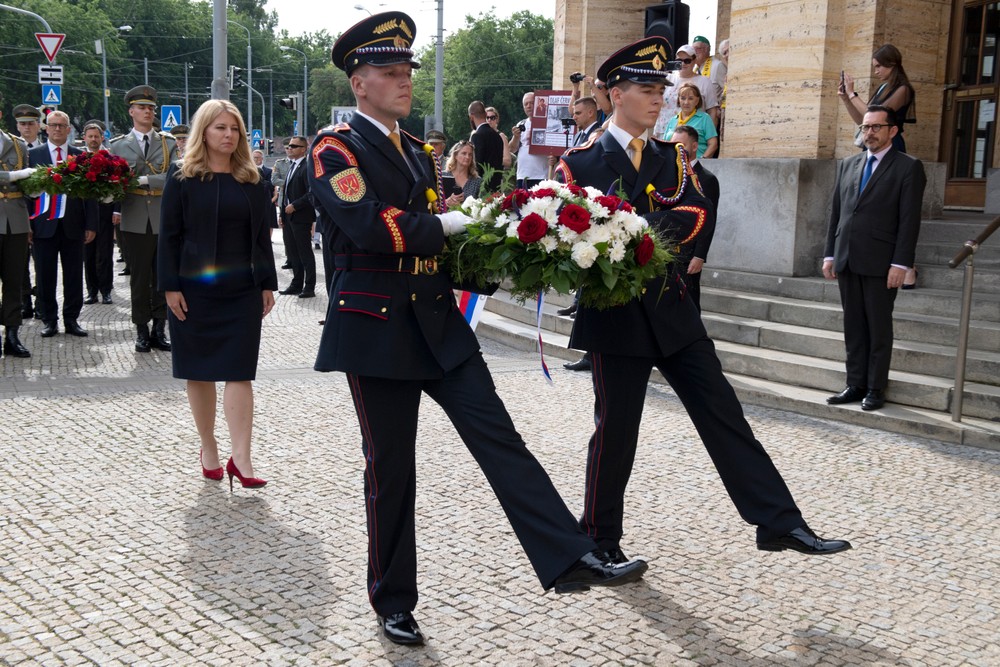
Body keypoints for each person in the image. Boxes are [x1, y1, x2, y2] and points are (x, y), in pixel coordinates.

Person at [312, 11, 648, 647]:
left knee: (501, 439)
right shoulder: (337, 148)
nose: (404, 81)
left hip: (438, 322)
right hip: (377, 329)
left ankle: (570, 555)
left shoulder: (417, 149)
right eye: (390, 72)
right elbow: (369, 226)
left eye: (407, 70)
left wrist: (514, 246)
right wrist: (447, 224)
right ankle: (393, 598)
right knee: (392, 469)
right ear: (359, 83)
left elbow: (442, 231)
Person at [556, 34, 853, 566]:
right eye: (648, 88)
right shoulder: (579, 166)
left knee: (724, 413)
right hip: (614, 317)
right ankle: (599, 541)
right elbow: (570, 235)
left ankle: (779, 523)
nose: (659, 98)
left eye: (661, 89)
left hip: (672, 310)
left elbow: (695, 216)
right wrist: (638, 229)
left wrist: (623, 227)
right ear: (616, 93)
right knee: (616, 431)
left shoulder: (673, 156)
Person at [158, 99, 277, 491]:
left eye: (234, 129)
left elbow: (262, 237)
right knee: (200, 372)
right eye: (220, 128)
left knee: (240, 372)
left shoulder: (254, 178)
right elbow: (169, 237)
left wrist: (267, 283)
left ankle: (241, 457)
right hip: (194, 290)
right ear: (203, 132)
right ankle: (208, 447)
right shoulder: (183, 177)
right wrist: (169, 285)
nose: (228, 135)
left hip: (242, 289)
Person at [823, 105, 925, 411]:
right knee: (853, 324)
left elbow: (909, 221)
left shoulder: (908, 167)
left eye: (876, 127)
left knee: (878, 327)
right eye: (866, 127)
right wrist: (830, 253)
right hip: (847, 257)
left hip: (882, 262)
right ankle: (855, 383)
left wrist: (901, 264)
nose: (869, 133)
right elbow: (837, 213)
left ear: (893, 130)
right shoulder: (848, 164)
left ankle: (876, 388)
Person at [840, 44, 918, 288]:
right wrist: (845, 99)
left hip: (892, 148)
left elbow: (878, 116)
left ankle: (908, 268)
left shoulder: (903, 89)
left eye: (879, 66)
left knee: (896, 211)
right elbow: (864, 121)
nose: (875, 71)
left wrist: (854, 94)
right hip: (872, 149)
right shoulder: (883, 87)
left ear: (892, 64)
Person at [109, 85, 180, 353]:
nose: (148, 111)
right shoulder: (117, 145)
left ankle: (159, 329)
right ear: (131, 112)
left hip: (163, 217)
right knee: (139, 279)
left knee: (162, 277)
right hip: (134, 216)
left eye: (151, 108)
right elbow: (112, 180)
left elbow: (174, 177)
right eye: (142, 107)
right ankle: (141, 330)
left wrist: (141, 179)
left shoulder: (168, 142)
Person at [28, 110, 98, 338]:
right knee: (45, 275)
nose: (57, 129)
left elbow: (90, 194)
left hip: (73, 225)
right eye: (53, 125)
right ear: (45, 128)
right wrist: (27, 224)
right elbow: (27, 193)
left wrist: (92, 224)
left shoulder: (81, 156)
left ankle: (72, 319)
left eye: (62, 125)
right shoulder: (33, 155)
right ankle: (49, 320)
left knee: (74, 275)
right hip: (42, 226)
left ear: (69, 130)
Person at [670, 125, 719, 310]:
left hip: (689, 254)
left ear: (694, 146)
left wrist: (700, 255)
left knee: (689, 301)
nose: (676, 149)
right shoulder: (670, 174)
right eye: (673, 144)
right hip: (668, 249)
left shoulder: (707, 179)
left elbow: (709, 220)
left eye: (681, 145)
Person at [0, 101, 33, 358]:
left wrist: (36, 186)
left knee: (15, 280)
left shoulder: (18, 143)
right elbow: (16, 177)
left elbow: (27, 185)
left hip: (17, 220)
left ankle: (12, 334)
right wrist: (14, 177)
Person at [13, 104, 43, 321]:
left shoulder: (45, 151)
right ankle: (25, 301)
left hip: (44, 214)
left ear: (38, 126)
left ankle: (42, 301)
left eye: (31, 124)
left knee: (42, 261)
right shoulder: (12, 150)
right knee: (21, 263)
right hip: (19, 213)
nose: (27, 128)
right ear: (17, 125)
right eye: (22, 124)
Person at [82, 119, 116, 305]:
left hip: (105, 210)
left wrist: (117, 211)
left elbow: (119, 185)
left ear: (102, 137)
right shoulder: (78, 160)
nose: (94, 139)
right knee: (88, 253)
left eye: (97, 136)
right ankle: (91, 291)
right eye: (90, 136)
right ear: (84, 138)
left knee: (105, 253)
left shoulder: (110, 158)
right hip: (86, 212)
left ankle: (106, 290)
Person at [277, 136, 316, 298]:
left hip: (301, 216)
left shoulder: (307, 167)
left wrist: (295, 205)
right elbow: (284, 192)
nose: (289, 148)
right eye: (288, 146)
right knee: (293, 253)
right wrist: (282, 212)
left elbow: (311, 193)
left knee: (304, 253)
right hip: (288, 217)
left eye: (294, 146)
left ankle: (309, 286)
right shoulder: (291, 166)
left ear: (303, 149)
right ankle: (296, 283)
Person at [653, 44, 718, 138]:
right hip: (664, 134)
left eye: (687, 61)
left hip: (692, 137)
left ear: (694, 61)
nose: (683, 64)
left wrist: (709, 137)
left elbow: (712, 111)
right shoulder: (666, 79)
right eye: (679, 60)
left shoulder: (705, 82)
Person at [664, 83, 718, 158]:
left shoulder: (704, 118)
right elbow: (664, 145)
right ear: (679, 100)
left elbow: (713, 144)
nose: (686, 102)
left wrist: (702, 160)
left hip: (695, 165)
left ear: (697, 101)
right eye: (683, 98)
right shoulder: (672, 120)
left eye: (690, 98)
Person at [509, 92, 549, 189]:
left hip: (542, 175)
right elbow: (512, 149)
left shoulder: (547, 123)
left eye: (531, 103)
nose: (529, 106)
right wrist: (516, 137)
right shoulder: (521, 124)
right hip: (523, 175)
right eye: (526, 104)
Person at [468, 100, 503, 189]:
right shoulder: (497, 136)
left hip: (482, 187)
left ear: (471, 116)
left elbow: (477, 164)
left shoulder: (477, 136)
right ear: (485, 114)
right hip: (496, 185)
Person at [442, 140, 481, 208]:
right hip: (445, 217)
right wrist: (446, 202)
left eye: (470, 154)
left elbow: (480, 206)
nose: (467, 157)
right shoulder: (442, 176)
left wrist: (460, 206)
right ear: (455, 155)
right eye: (464, 153)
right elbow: (434, 203)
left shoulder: (477, 181)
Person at [692, 36, 726, 113]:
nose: (695, 52)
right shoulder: (695, 69)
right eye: (693, 49)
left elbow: (727, 89)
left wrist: (720, 108)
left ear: (707, 49)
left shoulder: (717, 65)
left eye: (698, 48)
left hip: (711, 114)